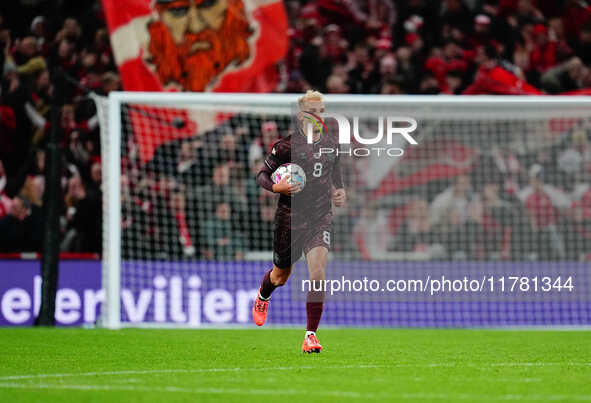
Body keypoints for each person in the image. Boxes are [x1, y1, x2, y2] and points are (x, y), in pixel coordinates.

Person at [252, 90, 346, 353]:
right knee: (281, 275)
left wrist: (339, 190)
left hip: (320, 217)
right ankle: (263, 295)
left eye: (322, 109)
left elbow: (335, 170)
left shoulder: (331, 143)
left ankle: (310, 336)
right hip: (289, 219)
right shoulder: (285, 146)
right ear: (301, 114)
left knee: (318, 273)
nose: (319, 114)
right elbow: (261, 175)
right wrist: (276, 187)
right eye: (314, 110)